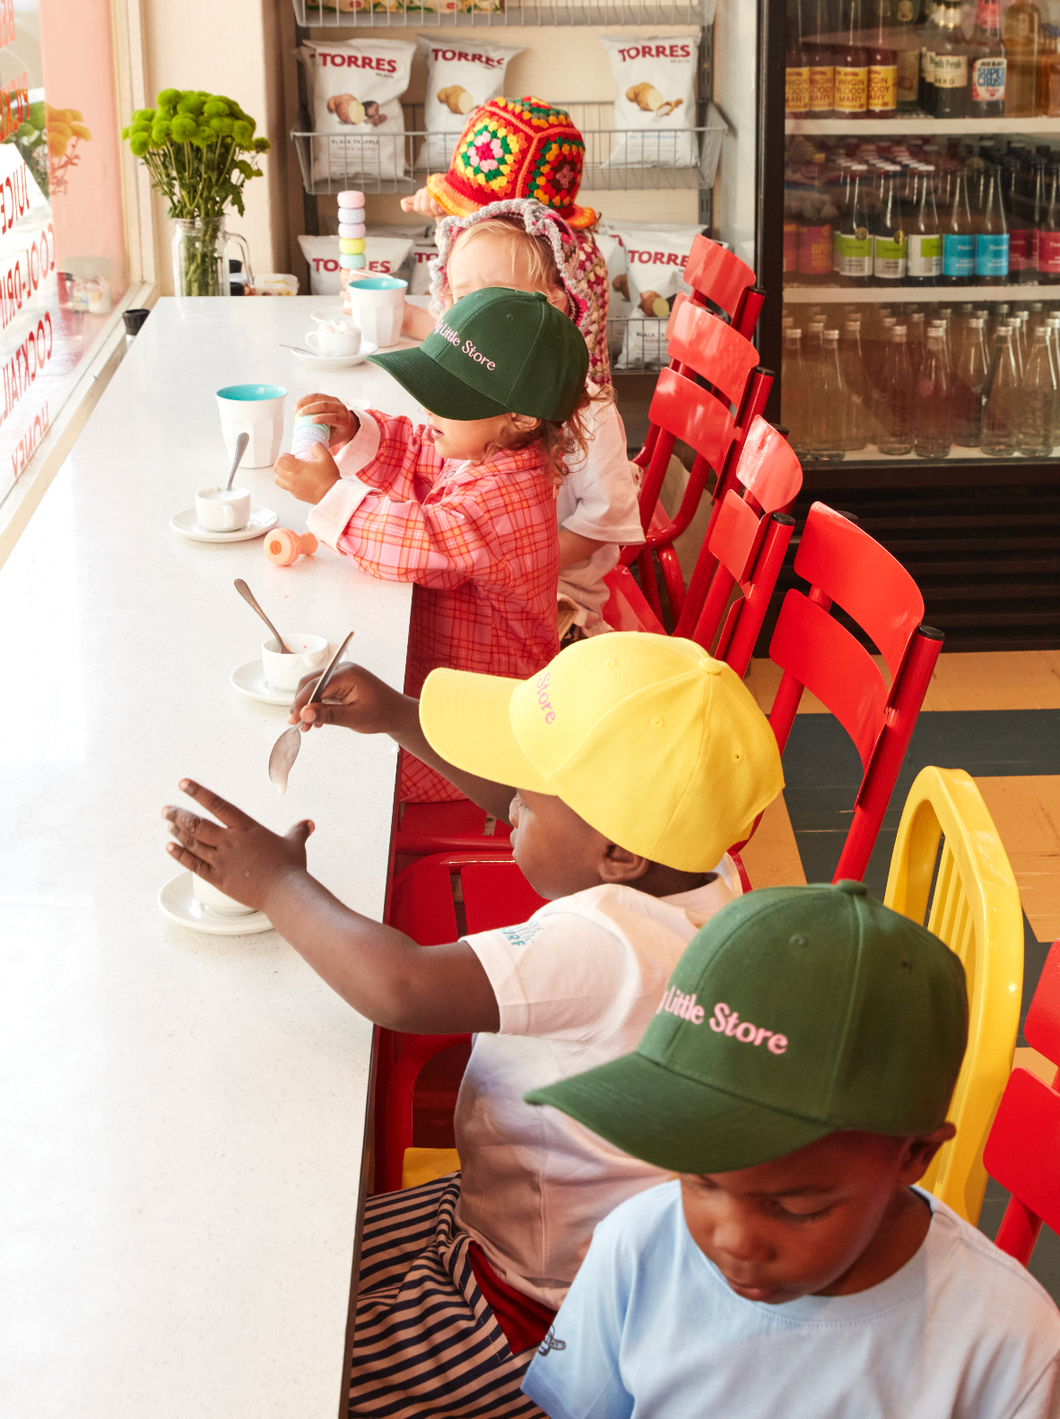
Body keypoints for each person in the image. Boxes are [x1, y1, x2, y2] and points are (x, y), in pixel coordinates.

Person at [160, 632, 785, 1419]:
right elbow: (554, 824)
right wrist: (399, 716)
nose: (507, 802)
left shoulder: (607, 942)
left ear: (619, 852)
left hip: (533, 1306)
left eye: (531, 787)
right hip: (510, 1215)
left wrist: (276, 883)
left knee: (283, 1362)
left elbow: (401, 986)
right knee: (296, 1257)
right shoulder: (692, 876)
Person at [520, 882, 1060, 1419]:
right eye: (698, 1180)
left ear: (915, 1155)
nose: (734, 1240)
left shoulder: (1009, 1344)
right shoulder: (636, 1247)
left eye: (797, 1208)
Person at [274, 285, 591, 803]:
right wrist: (356, 432)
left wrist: (330, 496)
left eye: (449, 402)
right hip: (453, 694)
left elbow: (417, 541)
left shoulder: (504, 497)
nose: (429, 411)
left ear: (521, 418)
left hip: (478, 743)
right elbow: (425, 455)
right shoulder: (490, 451)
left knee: (337, 779)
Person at [401, 201, 643, 641]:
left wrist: (523, 561)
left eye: (490, 295)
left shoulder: (587, 408)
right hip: (481, 574)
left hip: (555, 600)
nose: (470, 311)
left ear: (551, 303)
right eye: (459, 296)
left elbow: (608, 519)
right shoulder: (471, 390)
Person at [397, 95, 610, 386]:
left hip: (557, 422)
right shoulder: (556, 245)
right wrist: (442, 219)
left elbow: (471, 340)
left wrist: (408, 319)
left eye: (470, 214)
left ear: (514, 221)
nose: (465, 224)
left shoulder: (560, 264)